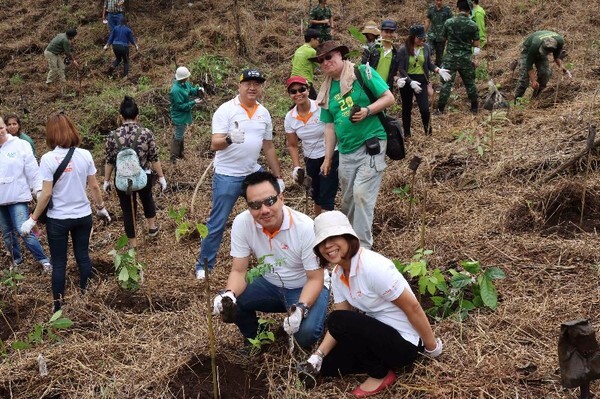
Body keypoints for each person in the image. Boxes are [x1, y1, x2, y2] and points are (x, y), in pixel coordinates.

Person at [302, 211, 443, 397]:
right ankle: (375, 361)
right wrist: (318, 356)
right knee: (329, 367)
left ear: (348, 237)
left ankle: (380, 374)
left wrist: (432, 347)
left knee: (337, 319)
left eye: (333, 237)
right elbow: (342, 324)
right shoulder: (337, 274)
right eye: (321, 242)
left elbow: (412, 306)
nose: (327, 246)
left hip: (404, 344)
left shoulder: (373, 267)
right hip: (379, 337)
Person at [212, 171, 329, 350]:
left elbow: (315, 278)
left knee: (305, 335)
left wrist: (300, 308)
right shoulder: (242, 223)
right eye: (256, 205)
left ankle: (307, 315)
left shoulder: (305, 228)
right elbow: (239, 271)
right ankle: (256, 335)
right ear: (248, 206)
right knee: (232, 303)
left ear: (281, 197)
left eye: (270, 201)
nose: (264, 210)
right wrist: (229, 294)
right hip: (270, 283)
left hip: (304, 285)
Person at [194, 69, 283, 280]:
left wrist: (277, 177)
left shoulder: (264, 113)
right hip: (227, 175)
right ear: (239, 86)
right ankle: (204, 265)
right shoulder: (226, 110)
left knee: (272, 212)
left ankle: (277, 259)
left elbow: (268, 147)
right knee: (217, 222)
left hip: (252, 171)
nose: (252, 87)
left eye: (257, 84)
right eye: (248, 83)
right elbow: (215, 143)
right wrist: (230, 139)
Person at [21, 113, 111, 313]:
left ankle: (58, 307)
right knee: (83, 257)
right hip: (83, 216)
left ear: (50, 134)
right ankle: (86, 298)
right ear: (72, 130)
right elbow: (95, 187)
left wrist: (32, 218)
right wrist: (101, 208)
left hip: (58, 219)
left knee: (59, 263)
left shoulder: (48, 159)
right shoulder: (85, 155)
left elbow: (46, 194)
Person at [312, 41, 395, 249]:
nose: (325, 63)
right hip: (346, 150)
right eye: (321, 60)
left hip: (371, 143)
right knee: (348, 200)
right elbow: (330, 126)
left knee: (361, 196)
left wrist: (368, 110)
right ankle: (348, 241)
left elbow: (388, 98)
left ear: (340, 55)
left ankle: (363, 248)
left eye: (328, 57)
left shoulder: (362, 73)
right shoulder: (327, 89)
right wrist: (328, 158)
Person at [103, 96, 166, 248]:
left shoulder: (113, 136)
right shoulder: (146, 133)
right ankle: (151, 227)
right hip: (143, 177)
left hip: (123, 180)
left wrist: (106, 180)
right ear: (138, 116)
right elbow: (154, 157)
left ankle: (133, 243)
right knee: (147, 198)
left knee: (127, 210)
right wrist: (161, 177)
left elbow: (109, 160)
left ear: (121, 117)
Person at [0, 117, 51, 272]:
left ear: (5, 127)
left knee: (24, 229)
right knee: (7, 233)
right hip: (1, 198)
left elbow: (32, 171)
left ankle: (44, 261)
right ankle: (16, 261)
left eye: (1, 128)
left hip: (18, 196)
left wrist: (38, 191)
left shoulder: (21, 145)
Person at [284, 76, 338, 215]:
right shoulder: (290, 117)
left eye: (301, 89)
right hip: (311, 159)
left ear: (308, 90)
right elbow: (292, 144)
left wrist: (328, 158)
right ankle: (318, 224)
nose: (298, 94)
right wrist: (297, 166)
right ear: (290, 95)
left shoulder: (321, 107)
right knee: (316, 195)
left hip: (330, 155)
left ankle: (328, 230)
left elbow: (333, 129)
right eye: (293, 91)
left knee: (327, 196)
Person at [398, 24, 451, 137]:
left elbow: (428, 64)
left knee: (425, 109)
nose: (423, 40)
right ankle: (407, 134)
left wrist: (438, 70)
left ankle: (428, 133)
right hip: (408, 81)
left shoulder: (425, 47)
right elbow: (401, 69)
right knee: (406, 109)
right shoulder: (403, 50)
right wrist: (410, 81)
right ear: (413, 37)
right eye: (420, 38)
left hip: (421, 80)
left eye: (424, 38)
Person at [436, 0, 480, 114]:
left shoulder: (449, 22)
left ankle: (440, 109)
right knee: (470, 83)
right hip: (465, 58)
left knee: (447, 83)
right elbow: (476, 44)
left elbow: (443, 39)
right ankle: (474, 108)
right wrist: (466, 43)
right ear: (470, 10)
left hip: (451, 58)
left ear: (457, 8)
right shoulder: (473, 25)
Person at [514, 31, 569, 101]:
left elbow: (556, 57)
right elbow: (529, 64)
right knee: (524, 78)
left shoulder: (560, 41)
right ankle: (517, 101)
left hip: (540, 47)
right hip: (528, 50)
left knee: (545, 73)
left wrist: (564, 69)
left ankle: (536, 98)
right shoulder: (535, 44)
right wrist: (533, 81)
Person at [169, 66, 203, 163]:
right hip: (179, 116)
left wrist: (198, 89)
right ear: (183, 78)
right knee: (179, 135)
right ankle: (174, 157)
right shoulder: (175, 90)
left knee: (180, 133)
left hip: (183, 114)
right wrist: (194, 102)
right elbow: (180, 106)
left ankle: (180, 153)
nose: (188, 78)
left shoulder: (184, 84)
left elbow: (190, 90)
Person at [361, 20, 400, 91]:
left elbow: (393, 73)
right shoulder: (371, 48)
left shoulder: (395, 53)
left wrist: (397, 80)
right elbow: (363, 67)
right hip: (370, 87)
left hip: (385, 89)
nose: (389, 35)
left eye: (391, 32)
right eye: (386, 32)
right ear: (381, 32)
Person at [291, 29, 321, 100]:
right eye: (317, 40)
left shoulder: (298, 50)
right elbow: (320, 65)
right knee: (314, 103)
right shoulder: (312, 51)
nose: (318, 42)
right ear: (312, 39)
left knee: (300, 102)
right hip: (304, 81)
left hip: (293, 81)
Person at [425, 0, 453, 67]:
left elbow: (451, 23)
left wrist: (449, 35)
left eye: (440, 0)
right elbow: (428, 21)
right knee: (428, 51)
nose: (439, 2)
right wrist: (424, 32)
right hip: (431, 35)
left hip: (441, 36)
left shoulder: (447, 10)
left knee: (439, 57)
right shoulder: (431, 9)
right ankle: (427, 67)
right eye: (437, 0)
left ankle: (437, 70)